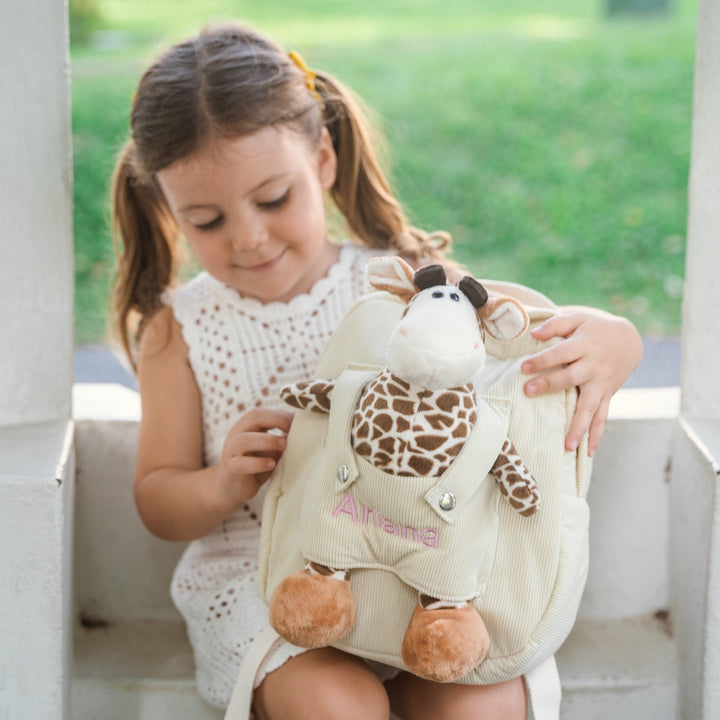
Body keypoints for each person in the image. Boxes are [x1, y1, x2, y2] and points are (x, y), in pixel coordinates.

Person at [110, 21, 642, 720]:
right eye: (205, 220)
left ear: (323, 159)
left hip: (429, 559)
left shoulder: (405, 288)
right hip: (270, 577)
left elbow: (532, 329)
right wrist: (221, 482)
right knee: (338, 706)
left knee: (477, 703)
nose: (249, 236)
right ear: (167, 209)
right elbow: (158, 497)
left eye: (273, 199)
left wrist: (619, 340)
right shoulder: (180, 330)